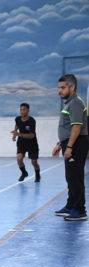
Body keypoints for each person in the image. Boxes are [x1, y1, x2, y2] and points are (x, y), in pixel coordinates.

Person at [52, 74, 89, 221]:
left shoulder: (75, 103)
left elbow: (77, 127)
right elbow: (67, 128)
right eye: (58, 88)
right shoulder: (69, 103)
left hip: (77, 144)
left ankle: (80, 210)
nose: (59, 91)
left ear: (72, 87)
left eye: (62, 87)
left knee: (76, 177)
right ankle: (70, 205)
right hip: (70, 143)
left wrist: (69, 147)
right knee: (70, 177)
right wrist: (60, 144)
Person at [11, 103, 40, 182]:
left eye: (24, 109)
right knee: (19, 159)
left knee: (34, 162)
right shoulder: (17, 119)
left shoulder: (32, 121)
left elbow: (31, 136)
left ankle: (37, 174)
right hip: (21, 143)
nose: (22, 111)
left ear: (28, 110)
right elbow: (17, 125)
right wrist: (14, 135)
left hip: (32, 144)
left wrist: (18, 134)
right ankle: (24, 173)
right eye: (20, 109)